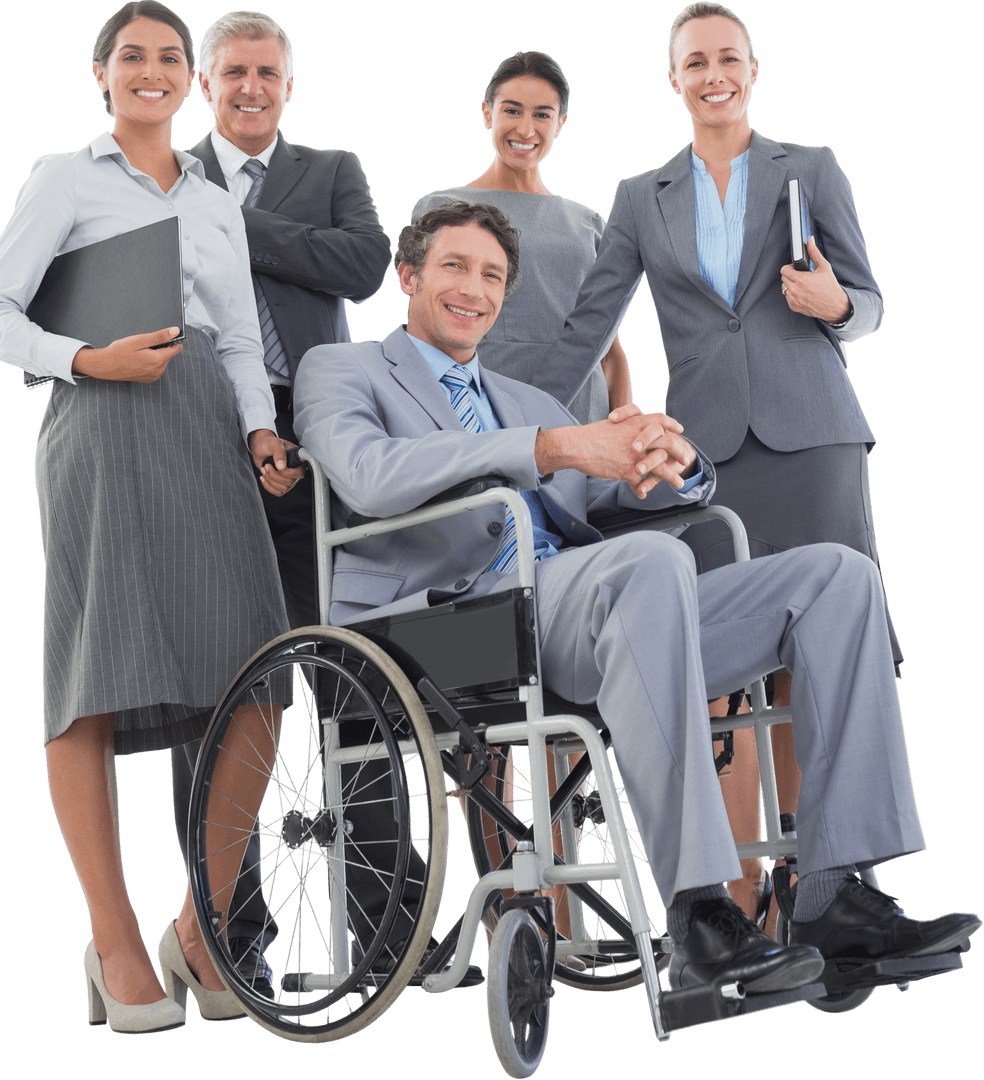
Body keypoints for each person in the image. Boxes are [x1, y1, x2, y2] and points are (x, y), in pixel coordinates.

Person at [292, 201, 979, 993]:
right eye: (454, 266)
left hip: (589, 610)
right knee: (649, 565)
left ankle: (836, 897)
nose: (473, 289)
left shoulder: (529, 401)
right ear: (410, 275)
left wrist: (672, 463)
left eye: (491, 276)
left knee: (837, 577)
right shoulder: (343, 369)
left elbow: (604, 499)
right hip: (449, 618)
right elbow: (369, 474)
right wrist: (557, 446)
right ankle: (698, 911)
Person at [535, 1, 902, 929]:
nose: (713, 75)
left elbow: (870, 301)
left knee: (831, 637)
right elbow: (589, 325)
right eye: (695, 61)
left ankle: (834, 888)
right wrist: (495, 413)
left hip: (813, 436)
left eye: (727, 58)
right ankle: (749, 902)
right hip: (707, 461)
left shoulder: (809, 168)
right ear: (672, 77)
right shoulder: (638, 197)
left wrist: (832, 303)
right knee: (724, 658)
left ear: (753, 67)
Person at [0, 2, 292, 1032]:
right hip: (101, 426)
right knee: (92, 675)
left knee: (258, 673)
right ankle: (116, 944)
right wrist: (82, 359)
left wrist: (261, 433)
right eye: (135, 56)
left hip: (207, 429)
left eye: (172, 57)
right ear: (101, 74)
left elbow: (248, 338)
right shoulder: (61, 178)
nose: (154, 71)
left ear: (190, 80)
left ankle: (202, 929)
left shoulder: (214, 199)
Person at [169, 7, 391, 999]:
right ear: (205, 84)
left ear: (286, 84)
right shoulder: (159, 172)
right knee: (213, 692)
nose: (250, 88)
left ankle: (379, 922)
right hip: (203, 442)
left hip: (319, 443)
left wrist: (228, 226)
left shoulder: (332, 168)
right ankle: (232, 929)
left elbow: (365, 266)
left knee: (349, 670)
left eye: (266, 72)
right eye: (233, 74)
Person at [410, 50, 630, 424]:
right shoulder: (442, 206)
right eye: (512, 110)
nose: (526, 130)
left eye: (542, 114)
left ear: (560, 123)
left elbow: (608, 348)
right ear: (487, 113)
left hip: (580, 412)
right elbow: (426, 329)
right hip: (483, 407)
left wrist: (624, 423)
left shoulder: (588, 222)